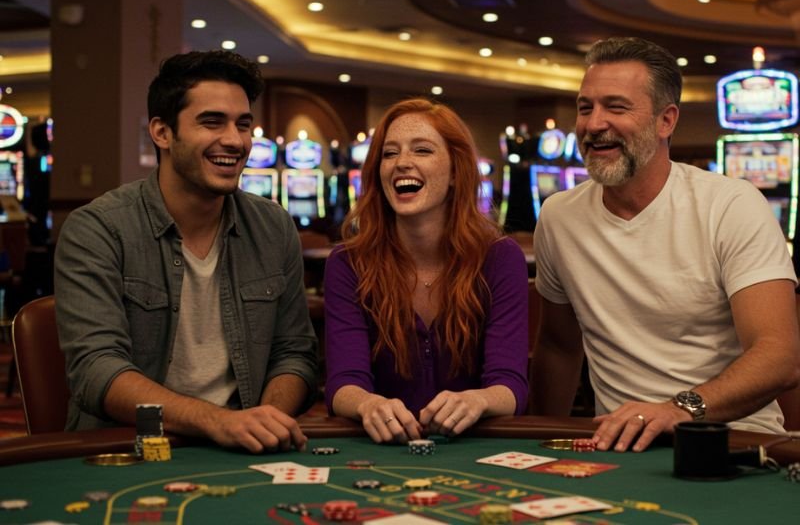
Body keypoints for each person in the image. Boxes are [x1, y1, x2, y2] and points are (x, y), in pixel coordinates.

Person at [531, 37, 800, 452]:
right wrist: (539, 441)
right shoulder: (558, 215)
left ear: (666, 121)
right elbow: (559, 347)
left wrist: (678, 409)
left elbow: (780, 356)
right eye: (586, 108)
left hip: (736, 444)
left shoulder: (731, 204)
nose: (594, 123)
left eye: (616, 107)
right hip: (620, 445)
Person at [55, 50, 318, 453]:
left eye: (243, 124)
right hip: (129, 446)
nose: (234, 140)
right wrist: (218, 421)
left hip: (242, 445)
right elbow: (97, 369)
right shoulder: (99, 229)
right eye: (212, 122)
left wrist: (265, 421)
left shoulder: (273, 226)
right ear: (161, 132)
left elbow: (294, 353)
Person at [324, 98, 529, 444]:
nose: (402, 163)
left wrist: (477, 400)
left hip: (473, 446)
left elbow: (510, 385)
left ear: (454, 172)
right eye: (389, 154)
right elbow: (344, 382)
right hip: (384, 447)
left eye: (422, 150)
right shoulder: (348, 263)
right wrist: (367, 404)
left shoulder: (499, 258)